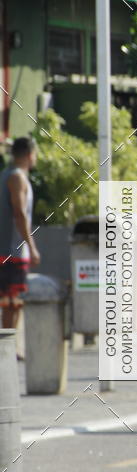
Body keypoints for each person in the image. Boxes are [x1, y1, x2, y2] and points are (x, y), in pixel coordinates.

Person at [0, 137, 40, 339]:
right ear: (29, 154)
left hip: (9, 250)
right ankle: (6, 350)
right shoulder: (17, 178)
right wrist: (31, 246)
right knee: (11, 303)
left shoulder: (6, 175)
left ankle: (10, 347)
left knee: (13, 303)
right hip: (11, 251)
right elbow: (19, 213)